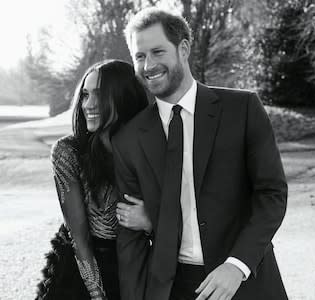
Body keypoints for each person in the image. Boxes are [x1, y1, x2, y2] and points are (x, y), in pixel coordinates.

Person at [112, 8, 288, 300]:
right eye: (139, 56)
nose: (148, 65)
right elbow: (131, 240)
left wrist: (237, 265)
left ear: (183, 49)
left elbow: (272, 194)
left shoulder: (242, 109)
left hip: (247, 280)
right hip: (176, 288)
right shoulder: (128, 139)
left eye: (157, 52)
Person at [35, 60, 151, 300]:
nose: (88, 104)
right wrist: (99, 296)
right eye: (85, 95)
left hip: (136, 266)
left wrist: (150, 223)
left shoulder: (150, 149)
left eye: (99, 95)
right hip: (82, 269)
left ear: (123, 97)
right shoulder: (68, 152)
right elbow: (80, 240)